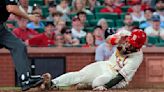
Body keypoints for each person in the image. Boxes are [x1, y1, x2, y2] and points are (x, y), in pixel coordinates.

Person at [40, 29, 147, 91]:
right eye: (129, 43)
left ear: (139, 47)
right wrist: (116, 40)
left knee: (97, 83)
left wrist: (105, 87)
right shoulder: (125, 35)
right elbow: (108, 39)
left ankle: (86, 85)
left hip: (117, 77)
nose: (129, 46)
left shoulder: (137, 57)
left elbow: (121, 76)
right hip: (107, 64)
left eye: (133, 46)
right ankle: (52, 83)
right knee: (80, 75)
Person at [0, 0, 43, 91]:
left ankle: (25, 79)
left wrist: (27, 15)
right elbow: (11, 8)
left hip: (1, 29)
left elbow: (15, 5)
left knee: (19, 46)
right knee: (18, 46)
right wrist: (29, 17)